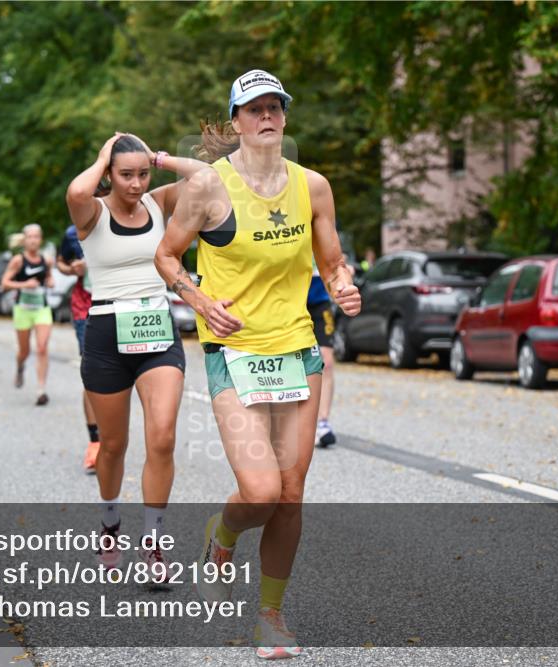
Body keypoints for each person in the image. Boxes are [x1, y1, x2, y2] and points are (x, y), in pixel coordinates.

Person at [155, 69, 361, 659]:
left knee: (290, 493)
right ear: (237, 121)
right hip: (234, 351)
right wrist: (198, 300)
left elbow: (332, 262)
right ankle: (221, 538)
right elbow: (166, 255)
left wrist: (342, 287)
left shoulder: (313, 187)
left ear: (284, 118)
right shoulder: (207, 188)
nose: (266, 116)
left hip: (297, 349)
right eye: (254, 109)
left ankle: (270, 615)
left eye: (275, 107)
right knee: (261, 488)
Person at [65, 133, 204, 581]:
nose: (136, 184)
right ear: (109, 173)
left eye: (143, 174)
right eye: (127, 175)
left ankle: (153, 546)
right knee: (113, 446)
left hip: (157, 330)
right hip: (105, 333)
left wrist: (158, 158)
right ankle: (109, 523)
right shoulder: (93, 212)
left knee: (161, 437)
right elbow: (77, 191)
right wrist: (105, 153)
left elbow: (206, 178)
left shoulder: (160, 203)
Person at [57, 223, 100, 473]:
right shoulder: (73, 232)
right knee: (91, 372)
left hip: (123, 305)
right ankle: (95, 441)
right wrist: (73, 268)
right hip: (86, 307)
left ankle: (114, 440)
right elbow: (61, 262)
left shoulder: (133, 218)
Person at [1, 224, 55, 404]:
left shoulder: (46, 260)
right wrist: (24, 285)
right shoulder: (18, 260)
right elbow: (5, 283)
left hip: (41, 308)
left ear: (40, 239)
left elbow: (49, 277)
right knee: (24, 351)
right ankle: (20, 365)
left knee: (42, 347)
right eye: (30, 237)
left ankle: (41, 390)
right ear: (24, 240)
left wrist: (50, 281)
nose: (33, 240)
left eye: (36, 236)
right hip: (23, 309)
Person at [307, 263, 337, 447]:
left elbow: (335, 259)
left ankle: (322, 423)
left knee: (327, 362)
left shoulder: (322, 232)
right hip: (289, 300)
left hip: (319, 301)